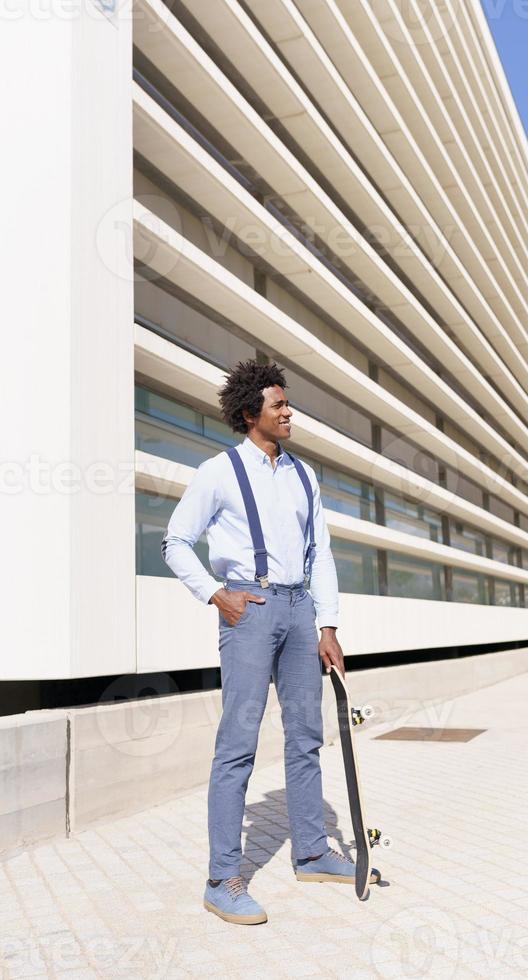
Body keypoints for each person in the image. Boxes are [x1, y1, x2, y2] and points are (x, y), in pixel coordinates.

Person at [161, 359, 379, 925]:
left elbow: (322, 553)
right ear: (249, 412)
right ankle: (222, 878)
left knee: (306, 737)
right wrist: (216, 594)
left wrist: (327, 625)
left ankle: (311, 852)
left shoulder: (305, 475)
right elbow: (176, 542)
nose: (289, 411)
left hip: (300, 608)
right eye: (279, 404)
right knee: (238, 743)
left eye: (288, 403)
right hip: (249, 609)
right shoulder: (218, 472)